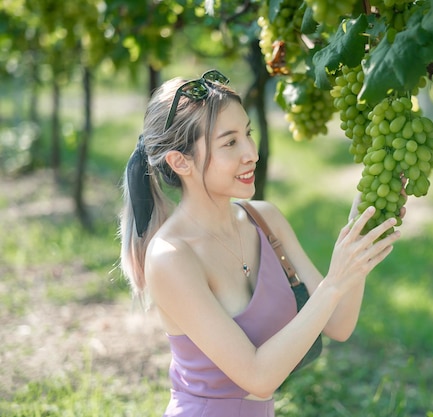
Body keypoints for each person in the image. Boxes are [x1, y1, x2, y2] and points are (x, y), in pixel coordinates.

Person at [118, 69, 400, 417]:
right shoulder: (171, 256)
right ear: (180, 161)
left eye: (248, 134)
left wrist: (358, 235)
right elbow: (258, 376)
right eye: (229, 142)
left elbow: (339, 324)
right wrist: (335, 281)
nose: (251, 152)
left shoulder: (264, 220)